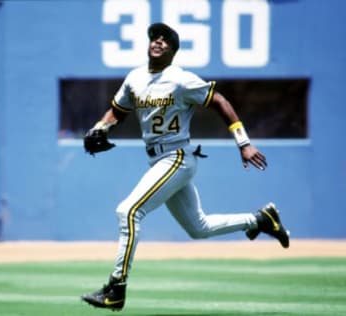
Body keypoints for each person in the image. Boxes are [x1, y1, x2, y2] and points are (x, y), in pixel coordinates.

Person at [80, 23, 290, 311]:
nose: (159, 41)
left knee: (128, 211)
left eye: (166, 40)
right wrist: (100, 127)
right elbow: (118, 111)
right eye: (156, 37)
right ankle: (262, 219)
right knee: (198, 227)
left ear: (173, 51)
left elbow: (219, 100)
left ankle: (116, 288)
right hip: (159, 159)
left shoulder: (180, 80)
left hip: (176, 156)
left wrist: (243, 142)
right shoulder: (135, 78)